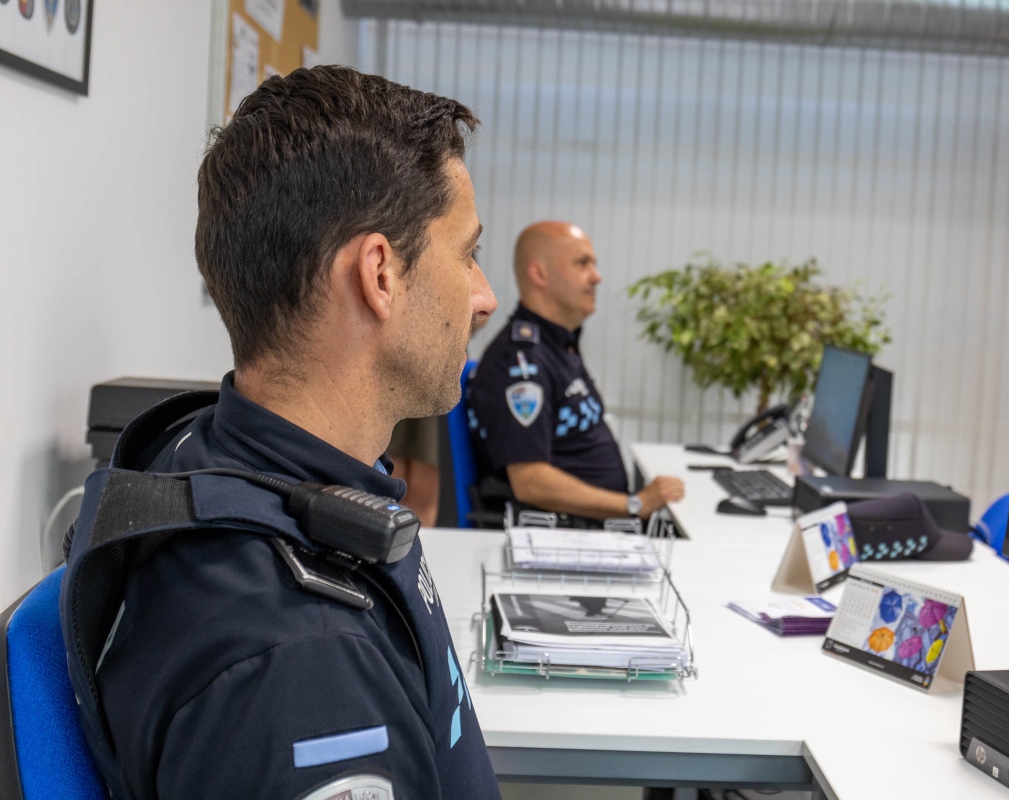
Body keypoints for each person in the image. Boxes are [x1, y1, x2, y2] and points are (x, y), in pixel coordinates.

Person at [65, 67, 501, 799]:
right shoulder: (301, 666)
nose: (484, 296)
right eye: (466, 253)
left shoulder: (204, 459)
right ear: (380, 275)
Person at [468, 221, 684, 523]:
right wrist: (634, 504)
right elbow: (530, 481)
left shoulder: (555, 346)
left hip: (595, 527)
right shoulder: (519, 362)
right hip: (566, 536)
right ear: (539, 273)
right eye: (583, 264)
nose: (596, 277)